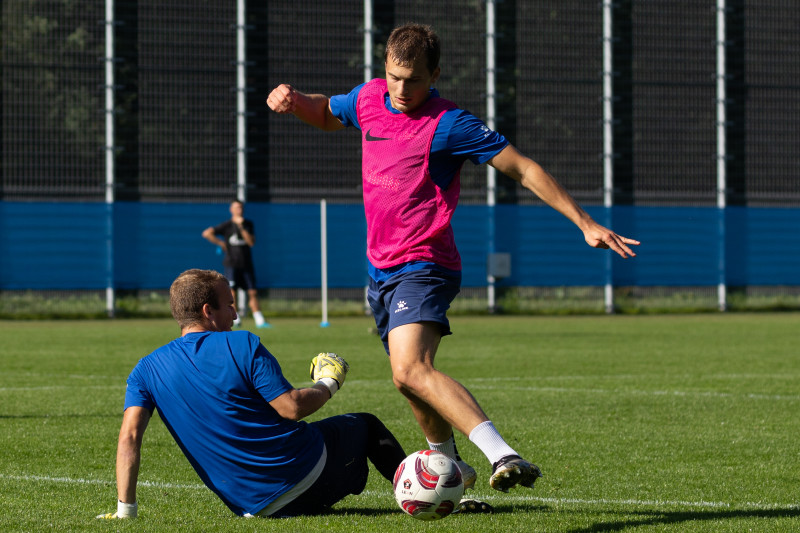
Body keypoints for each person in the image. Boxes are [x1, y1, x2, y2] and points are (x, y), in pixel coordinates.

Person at [267, 23, 640, 494]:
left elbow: (523, 168)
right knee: (408, 380)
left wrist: (585, 222)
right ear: (384, 70)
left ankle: (502, 453)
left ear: (435, 75)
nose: (402, 89)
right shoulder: (368, 98)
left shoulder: (450, 124)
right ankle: (450, 468)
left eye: (414, 80)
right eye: (395, 77)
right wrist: (296, 100)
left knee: (410, 369)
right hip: (380, 270)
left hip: (425, 263)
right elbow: (326, 113)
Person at [98, 268, 407, 519]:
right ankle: (420, 492)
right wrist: (329, 383)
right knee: (367, 425)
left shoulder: (144, 370)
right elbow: (292, 408)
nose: (235, 315)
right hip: (304, 476)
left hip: (251, 506)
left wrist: (126, 511)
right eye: (230, 305)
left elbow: (129, 438)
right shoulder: (242, 343)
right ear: (208, 311)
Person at [202, 199, 270, 328]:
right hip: (231, 264)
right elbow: (207, 233)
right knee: (232, 293)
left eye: (241, 207)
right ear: (231, 210)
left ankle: (259, 320)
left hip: (246, 264)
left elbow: (251, 242)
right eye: (237, 207)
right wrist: (221, 243)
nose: (239, 210)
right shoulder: (226, 225)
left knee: (252, 292)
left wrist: (241, 227)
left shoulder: (248, 224)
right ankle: (236, 319)